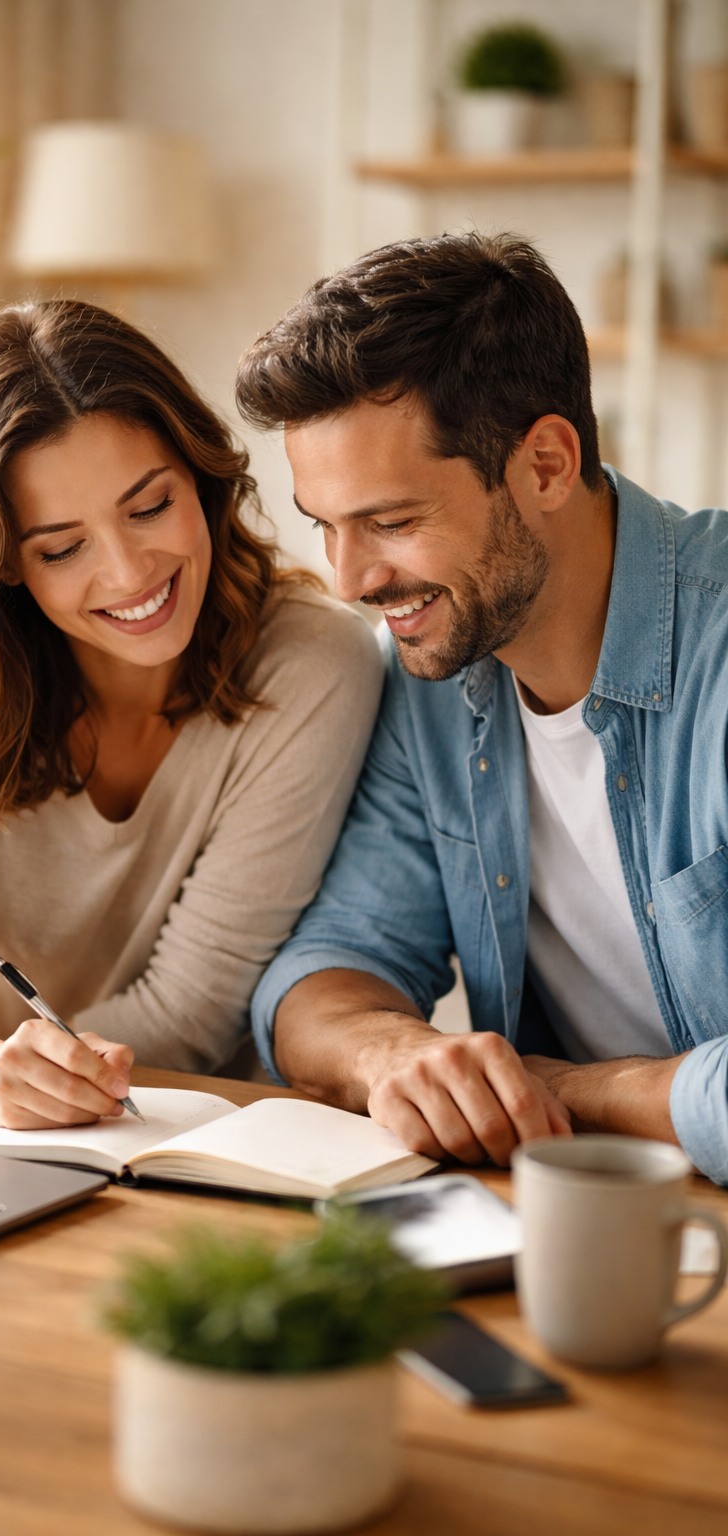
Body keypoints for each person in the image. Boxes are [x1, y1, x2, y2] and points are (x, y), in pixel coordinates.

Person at [0, 300, 382, 1130]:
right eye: (62, 548)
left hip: (199, 1139)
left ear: (200, 474)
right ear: (1, 561)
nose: (130, 573)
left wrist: (20, 1081)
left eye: (150, 506)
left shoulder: (316, 662)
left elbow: (192, 1010)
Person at [236, 232, 728, 1185]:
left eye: (391, 522)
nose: (350, 581)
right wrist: (394, 1054)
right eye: (326, 527)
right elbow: (323, 972)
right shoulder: (429, 678)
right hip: (571, 1218)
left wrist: (558, 1089)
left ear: (545, 463)